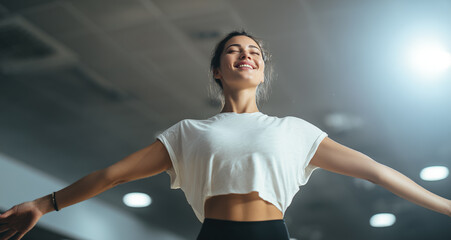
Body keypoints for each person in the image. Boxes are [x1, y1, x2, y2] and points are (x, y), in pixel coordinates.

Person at [0, 30, 450, 240]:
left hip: (273, 236)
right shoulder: (189, 132)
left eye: (254, 51)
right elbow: (112, 175)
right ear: (218, 70)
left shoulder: (293, 131)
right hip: (215, 237)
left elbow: (377, 172)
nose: (246, 55)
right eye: (234, 50)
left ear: (261, 70)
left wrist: (446, 205)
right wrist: (44, 203)